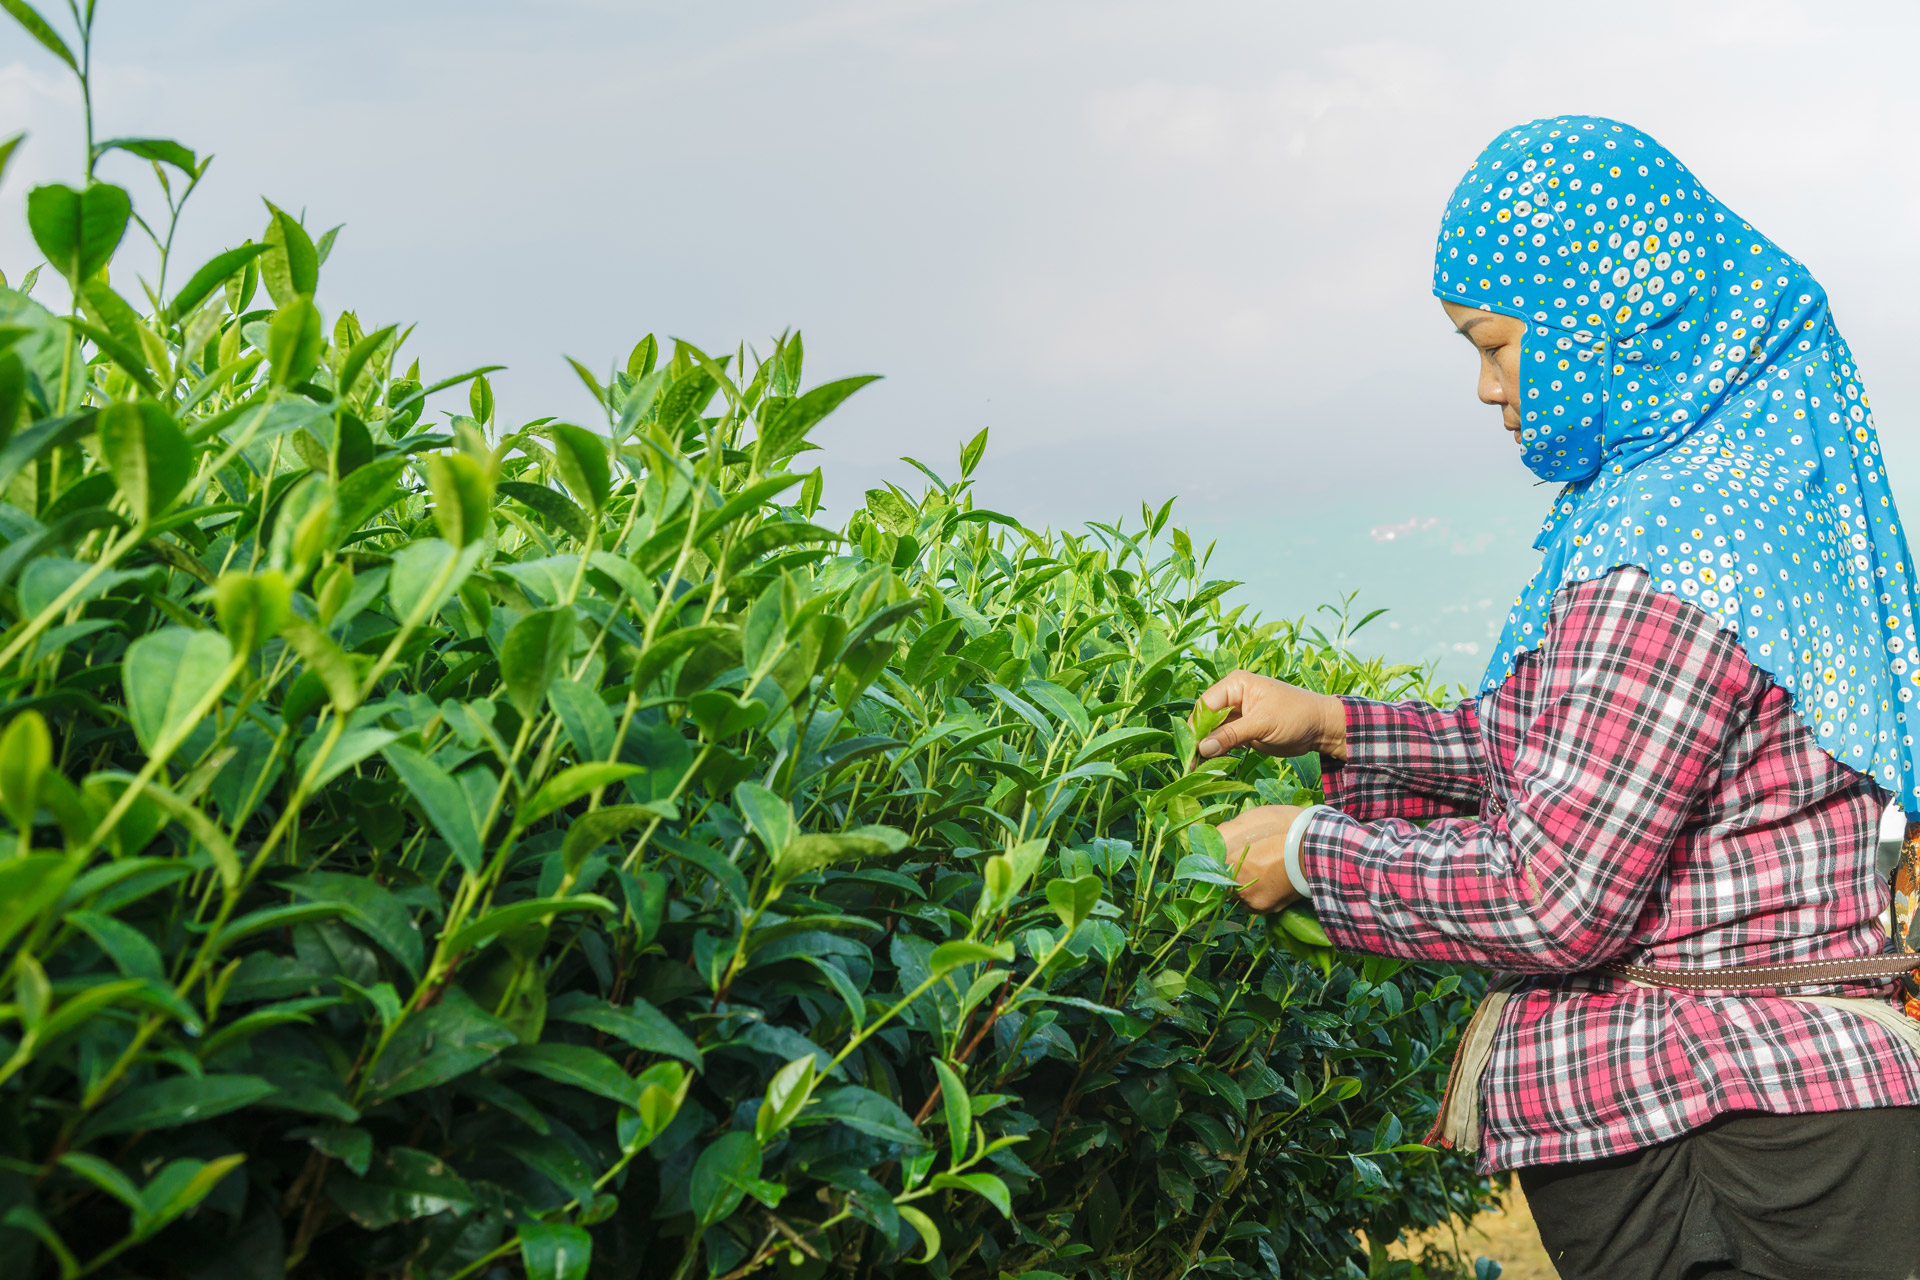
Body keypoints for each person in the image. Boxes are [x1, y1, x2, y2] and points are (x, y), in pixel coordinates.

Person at [1202, 116, 1920, 1280]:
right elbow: (1568, 752)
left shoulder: (1676, 546)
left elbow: (1557, 890)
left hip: (1730, 1145)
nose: (1488, 388)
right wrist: (1336, 721)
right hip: (1756, 1135)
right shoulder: (1707, 488)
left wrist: (1308, 853)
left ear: (1602, 311)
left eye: (1495, 344)